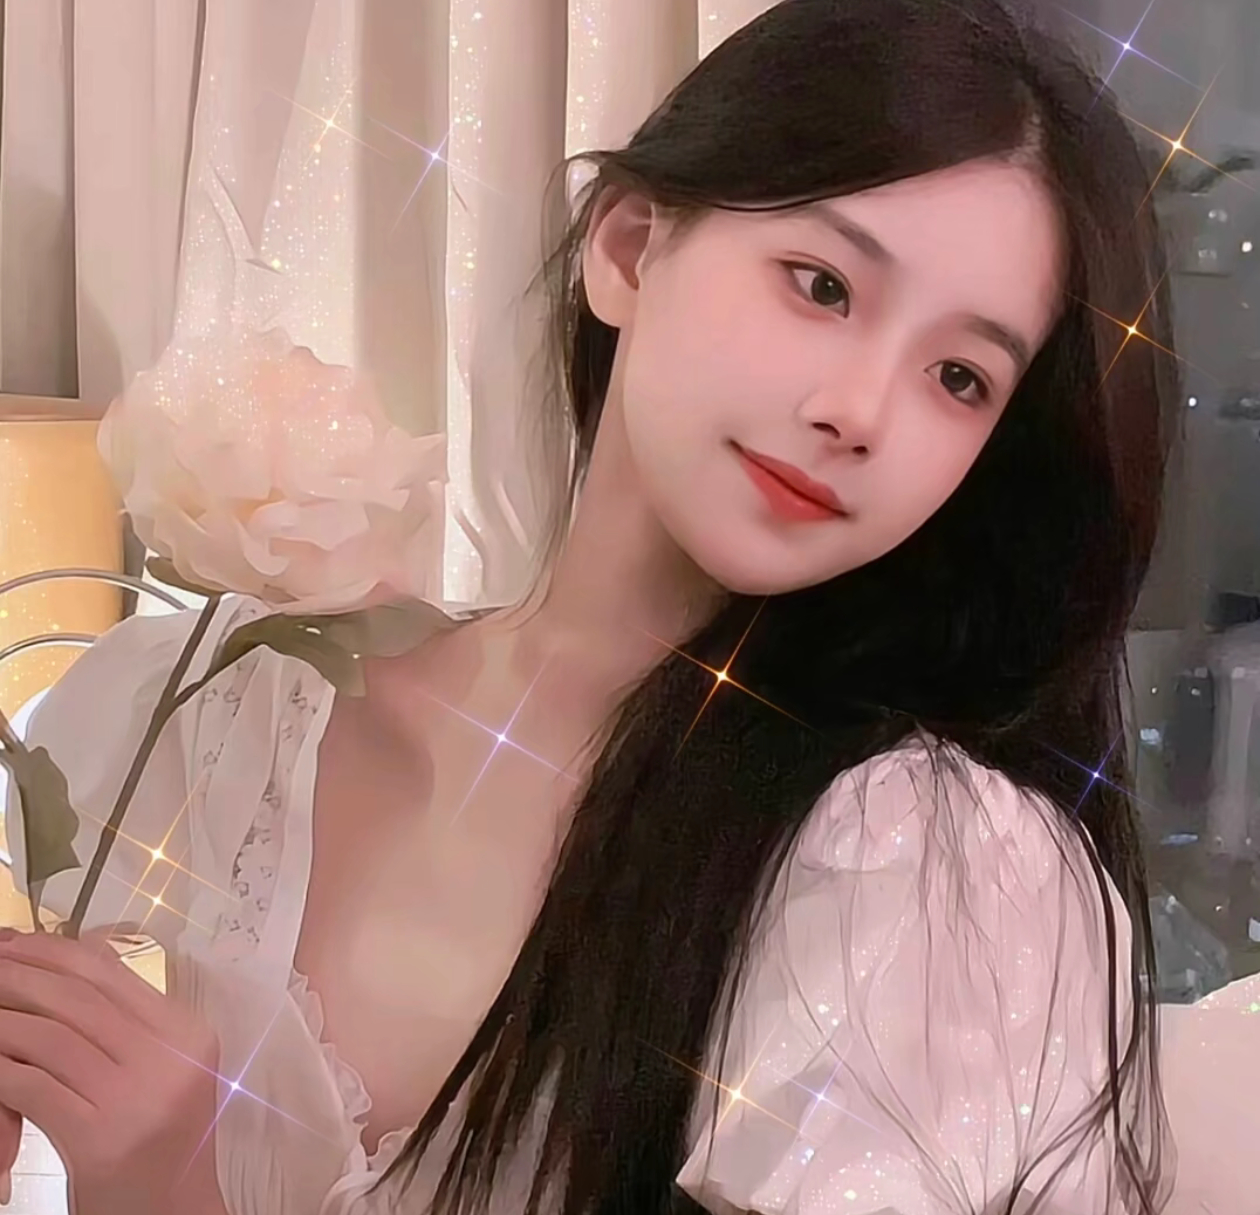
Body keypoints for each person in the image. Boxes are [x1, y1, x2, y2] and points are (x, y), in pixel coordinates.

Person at [1, 0, 1251, 1211]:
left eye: (960, 377)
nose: (861, 413)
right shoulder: (208, 715)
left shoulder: (928, 871)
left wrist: (170, 1190)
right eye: (822, 285)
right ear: (628, 247)